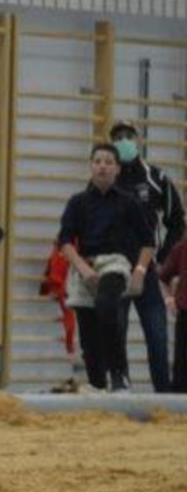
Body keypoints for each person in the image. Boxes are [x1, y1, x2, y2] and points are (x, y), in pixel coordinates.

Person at [56, 143, 154, 392]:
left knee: (107, 307)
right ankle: (98, 384)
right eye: (98, 161)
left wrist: (139, 272)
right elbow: (64, 241)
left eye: (109, 162)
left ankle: (120, 373)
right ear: (90, 166)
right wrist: (83, 268)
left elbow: (147, 242)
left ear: (117, 169)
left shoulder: (129, 202)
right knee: (88, 334)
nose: (102, 166)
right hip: (85, 265)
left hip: (115, 263)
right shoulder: (77, 202)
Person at [109, 120, 183, 392]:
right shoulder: (107, 179)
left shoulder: (157, 177)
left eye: (128, 135)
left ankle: (164, 394)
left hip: (149, 272)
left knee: (157, 335)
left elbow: (177, 221)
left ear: (138, 140)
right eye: (117, 136)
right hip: (114, 271)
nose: (123, 140)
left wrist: (163, 259)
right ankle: (121, 392)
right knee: (115, 335)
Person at [158, 237, 187, 392]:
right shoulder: (181, 248)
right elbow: (163, 278)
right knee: (181, 372)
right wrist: (169, 299)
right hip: (185, 314)